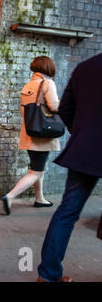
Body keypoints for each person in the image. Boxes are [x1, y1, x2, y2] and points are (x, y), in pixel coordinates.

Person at [37, 53, 102, 282]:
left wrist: (84, 134)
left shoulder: (85, 67)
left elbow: (64, 109)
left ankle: (48, 276)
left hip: (84, 150)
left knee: (67, 212)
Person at [1, 56, 60, 215]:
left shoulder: (28, 85)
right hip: (43, 133)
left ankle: (39, 199)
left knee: (37, 167)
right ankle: (10, 196)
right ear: (48, 68)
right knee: (36, 172)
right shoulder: (47, 83)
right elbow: (54, 106)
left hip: (30, 132)